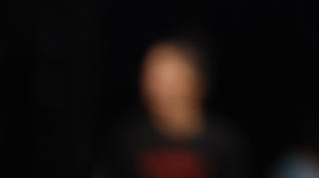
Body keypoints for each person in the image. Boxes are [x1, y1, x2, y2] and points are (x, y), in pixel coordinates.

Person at [96, 37, 253, 178]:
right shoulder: (128, 140)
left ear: (196, 82)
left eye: (166, 80)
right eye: (150, 77)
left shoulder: (224, 145)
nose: (154, 88)